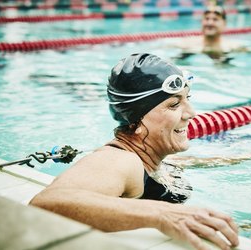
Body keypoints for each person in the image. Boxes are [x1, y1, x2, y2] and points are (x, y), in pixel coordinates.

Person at [30, 53, 239, 250]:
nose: (191, 113)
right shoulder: (121, 160)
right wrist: (162, 214)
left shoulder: (150, 159)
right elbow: (44, 204)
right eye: (174, 104)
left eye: (187, 98)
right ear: (136, 121)